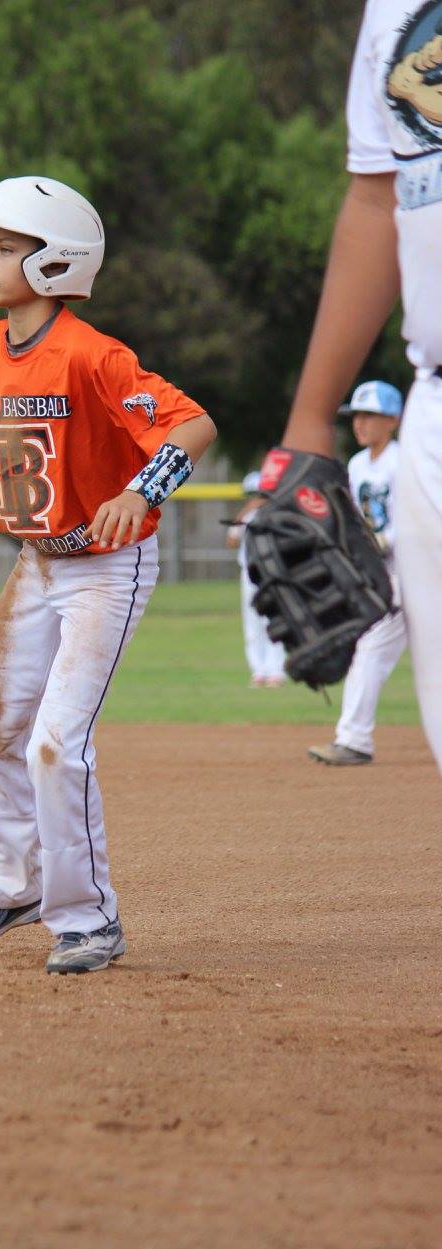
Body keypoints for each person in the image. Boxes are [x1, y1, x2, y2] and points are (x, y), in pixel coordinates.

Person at [0, 176, 216, 974]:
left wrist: (142, 488)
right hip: (35, 565)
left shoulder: (95, 355)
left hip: (105, 568)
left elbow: (192, 424)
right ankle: (10, 884)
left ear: (57, 261)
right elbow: (7, 458)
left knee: (57, 743)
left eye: (4, 247)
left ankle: (88, 919)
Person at [281, 1, 442, 775]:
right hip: (435, 402)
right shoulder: (392, 6)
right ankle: (355, 735)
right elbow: (377, 198)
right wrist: (310, 420)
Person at [308, 380, 408, 765]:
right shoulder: (357, 464)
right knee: (371, 647)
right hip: (386, 577)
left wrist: (385, 541)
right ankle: (353, 740)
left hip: (417, 570)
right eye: (356, 415)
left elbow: (419, 513)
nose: (360, 423)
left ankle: (354, 740)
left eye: (371, 415)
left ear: (394, 420)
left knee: (376, 649)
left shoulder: (405, 461)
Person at [226, 470, 287, 688]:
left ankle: (276, 671)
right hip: (250, 573)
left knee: (274, 620)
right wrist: (245, 514)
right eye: (252, 494)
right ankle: (259, 670)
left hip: (273, 573)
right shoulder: (247, 515)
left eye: (259, 493)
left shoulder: (278, 514)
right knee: (252, 623)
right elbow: (232, 541)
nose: (255, 497)